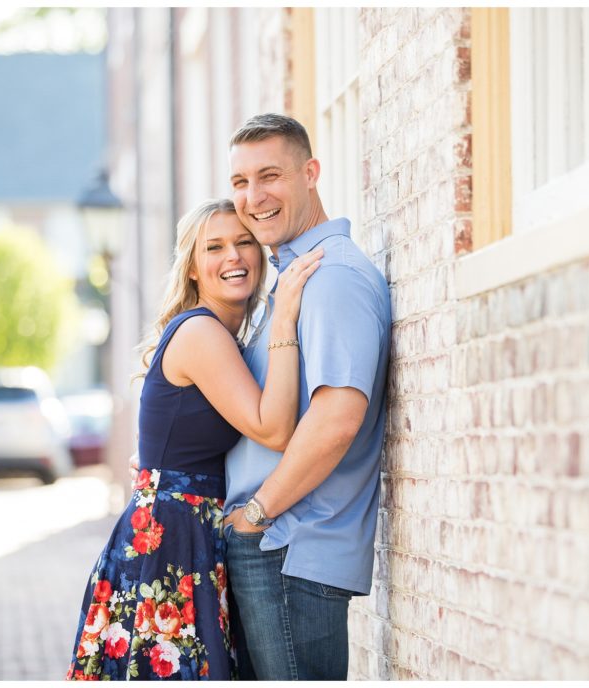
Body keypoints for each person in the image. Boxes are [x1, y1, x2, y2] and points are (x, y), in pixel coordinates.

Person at [134, 113, 392, 680]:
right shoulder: (292, 280)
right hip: (269, 543)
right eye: (241, 181)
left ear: (311, 173)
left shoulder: (331, 279)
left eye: (270, 175)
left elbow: (338, 417)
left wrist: (256, 514)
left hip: (288, 543)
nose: (254, 196)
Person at [66, 198, 323, 681]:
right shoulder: (202, 332)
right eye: (216, 247)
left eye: (244, 242)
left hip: (185, 531)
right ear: (192, 269)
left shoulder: (221, 336)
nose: (234, 256)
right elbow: (274, 428)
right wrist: (285, 318)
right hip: (172, 540)